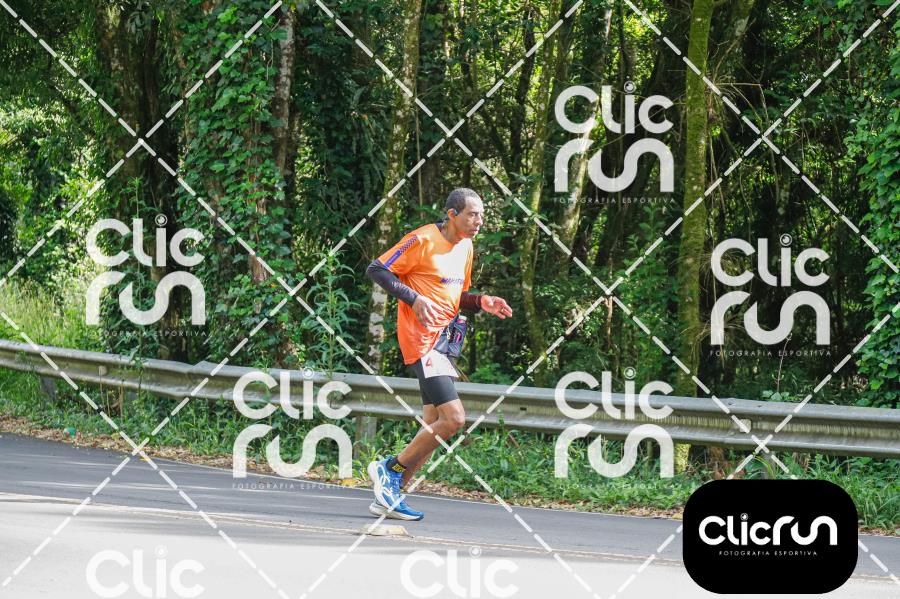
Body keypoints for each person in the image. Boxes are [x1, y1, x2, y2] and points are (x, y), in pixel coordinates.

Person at [364, 188, 512, 521]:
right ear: (452, 214)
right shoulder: (421, 240)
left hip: (446, 342)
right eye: (472, 214)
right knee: (453, 419)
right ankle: (390, 468)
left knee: (432, 424)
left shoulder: (466, 246)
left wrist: (481, 302)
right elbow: (376, 269)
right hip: (422, 342)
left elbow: (455, 296)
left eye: (481, 215)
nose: (479, 221)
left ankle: (390, 496)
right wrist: (414, 298)